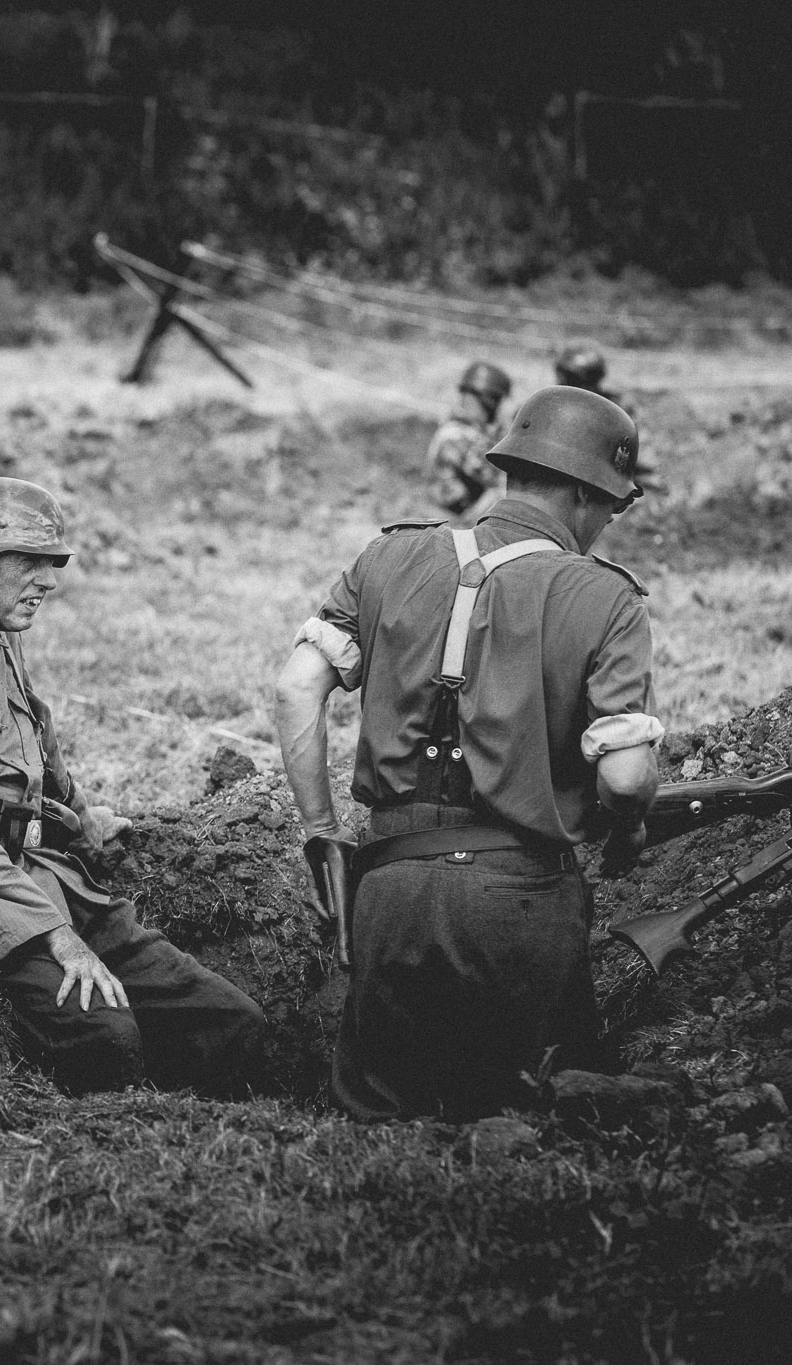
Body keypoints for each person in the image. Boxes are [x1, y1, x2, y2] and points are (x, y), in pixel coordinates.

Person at [274, 386, 663, 1122]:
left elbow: (296, 688)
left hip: (388, 894)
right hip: (520, 906)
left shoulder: (388, 554)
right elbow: (625, 775)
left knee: (376, 1129)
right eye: (614, 507)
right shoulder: (607, 599)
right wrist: (632, 822)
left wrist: (321, 827)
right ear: (586, 495)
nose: (609, 523)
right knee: (536, 1120)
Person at [0, 477, 272, 1096]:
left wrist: (85, 817)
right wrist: (56, 935)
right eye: (29, 561)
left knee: (227, 1019)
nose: (50, 579)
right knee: (105, 1037)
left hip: (30, 870)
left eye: (53, 561)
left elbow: (37, 747)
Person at [556, 344, 662, 492]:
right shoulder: (555, 405)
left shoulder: (617, 408)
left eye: (576, 381)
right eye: (568, 380)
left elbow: (640, 456)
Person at [425, 360, 513, 519]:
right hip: (453, 522)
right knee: (503, 495)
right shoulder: (457, 436)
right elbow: (500, 478)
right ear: (488, 400)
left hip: (457, 516)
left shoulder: (464, 429)